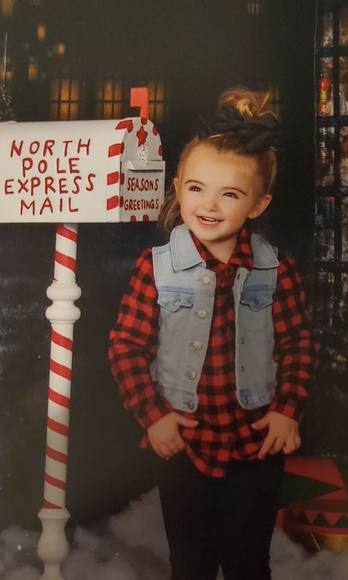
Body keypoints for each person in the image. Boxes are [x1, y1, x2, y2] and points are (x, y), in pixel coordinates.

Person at [109, 87, 316, 580]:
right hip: (185, 443)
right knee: (191, 563)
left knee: (249, 562)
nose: (210, 205)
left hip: (256, 444)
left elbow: (298, 345)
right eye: (198, 188)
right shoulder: (156, 268)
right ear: (178, 188)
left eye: (230, 194)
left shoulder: (274, 270)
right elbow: (126, 348)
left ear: (259, 204)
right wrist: (154, 416)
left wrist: (287, 410)